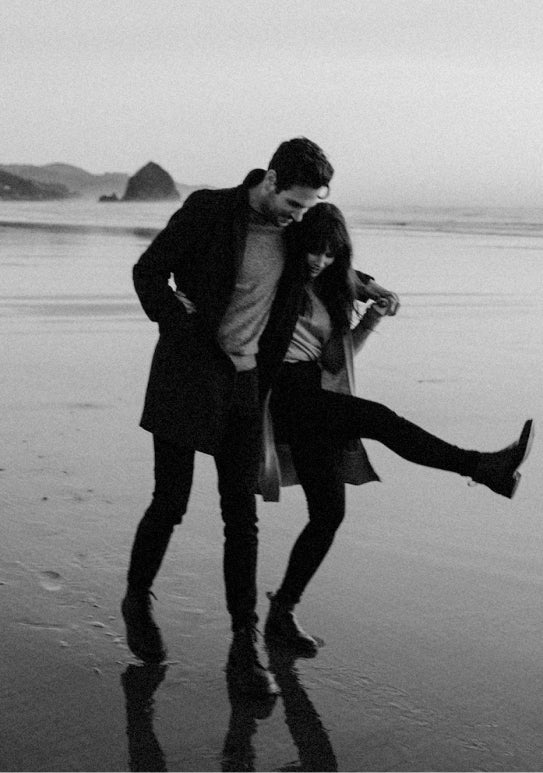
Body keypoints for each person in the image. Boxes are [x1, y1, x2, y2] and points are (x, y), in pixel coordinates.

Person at [122, 137, 362, 697]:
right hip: (187, 375)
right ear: (271, 179)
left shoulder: (294, 232)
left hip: (247, 385)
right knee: (170, 502)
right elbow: (148, 271)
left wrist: (366, 284)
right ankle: (137, 599)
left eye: (307, 207)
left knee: (241, 519)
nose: (298, 216)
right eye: (294, 203)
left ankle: (243, 647)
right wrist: (176, 320)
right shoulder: (210, 210)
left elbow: (326, 261)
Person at [260, 203, 535, 656]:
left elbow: (335, 361)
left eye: (330, 254)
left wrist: (370, 316)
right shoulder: (277, 276)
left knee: (328, 515)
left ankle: (282, 612)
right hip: (284, 397)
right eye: (314, 250)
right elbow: (269, 252)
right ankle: (482, 467)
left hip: (313, 395)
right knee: (380, 419)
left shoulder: (327, 289)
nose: (319, 260)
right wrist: (368, 283)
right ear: (299, 242)